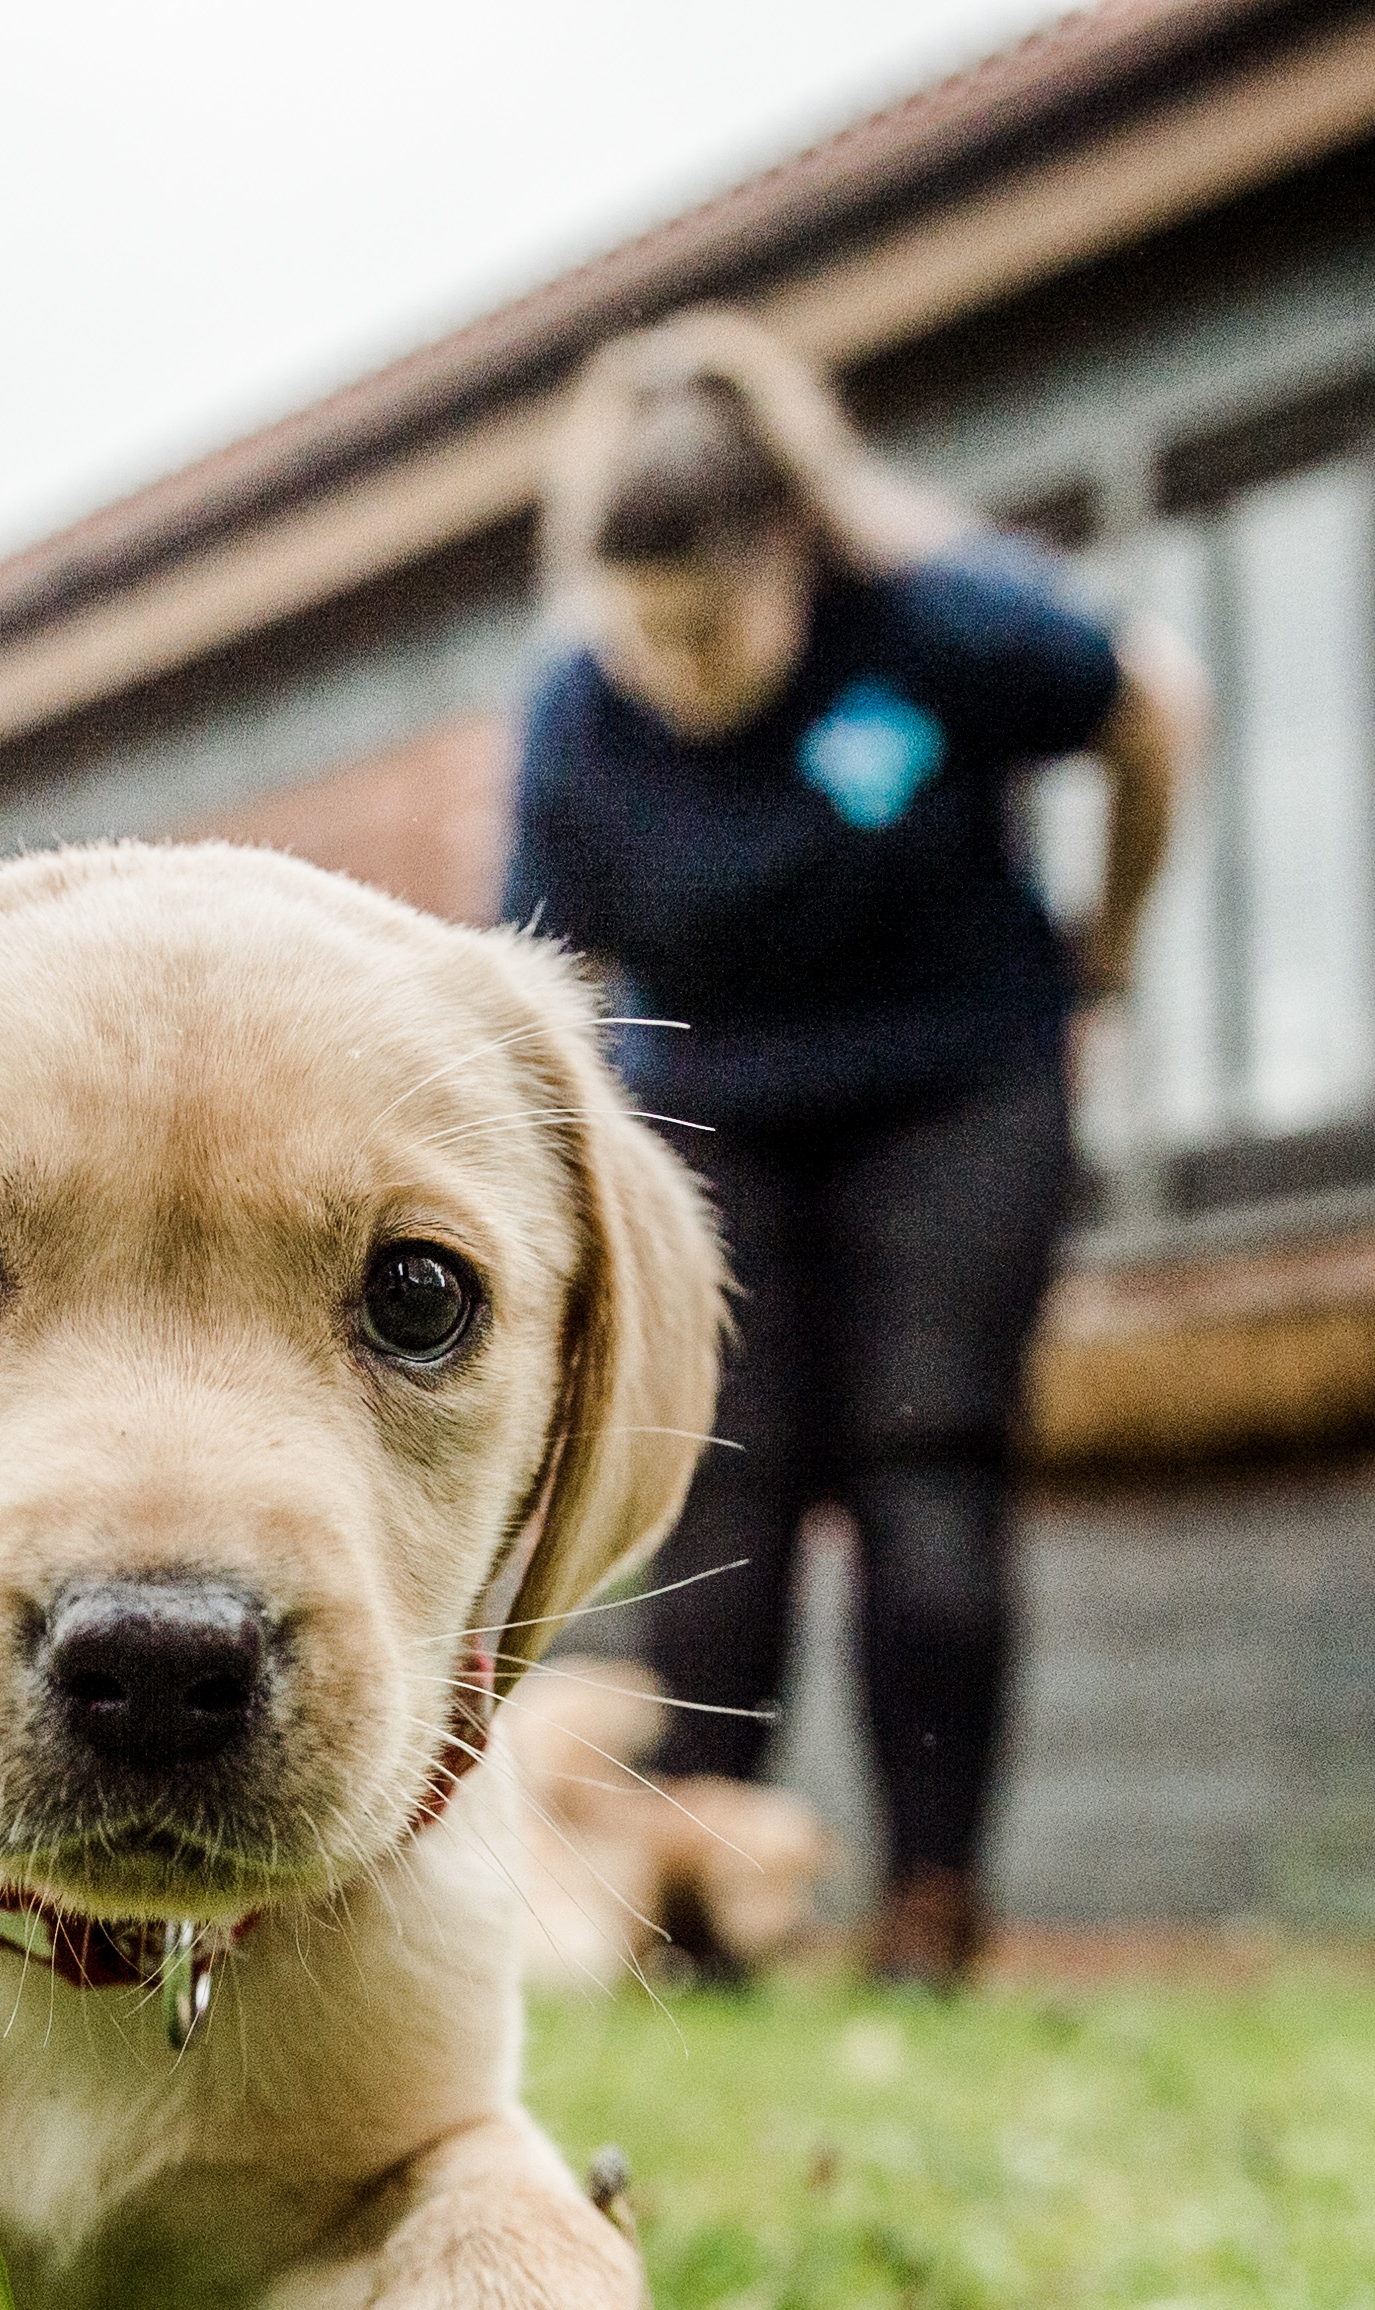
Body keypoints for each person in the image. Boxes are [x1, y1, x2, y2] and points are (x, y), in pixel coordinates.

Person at [502, 310, 1197, 1987]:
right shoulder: (580, 714)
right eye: (640, 633)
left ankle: (929, 1910)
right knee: (714, 1484)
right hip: (711, 1116)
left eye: (710, 629)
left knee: (927, 1468)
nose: (674, 670)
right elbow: (539, 963)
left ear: (791, 551)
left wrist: (1111, 941)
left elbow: (1154, 703)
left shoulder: (935, 630)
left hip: (950, 1091)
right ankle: (705, 1907)